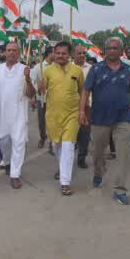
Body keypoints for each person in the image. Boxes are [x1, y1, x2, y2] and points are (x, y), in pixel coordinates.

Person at [80, 37, 130, 206]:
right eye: (109, 48)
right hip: (100, 118)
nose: (112, 50)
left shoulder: (128, 70)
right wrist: (81, 111)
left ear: (121, 51)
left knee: (123, 154)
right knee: (98, 152)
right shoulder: (96, 69)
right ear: (105, 50)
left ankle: (120, 189)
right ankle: (99, 172)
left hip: (123, 118)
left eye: (116, 48)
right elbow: (86, 91)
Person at [42, 42, 85, 195]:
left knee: (68, 146)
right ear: (53, 53)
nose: (60, 56)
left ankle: (65, 182)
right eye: (58, 53)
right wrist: (32, 79)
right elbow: (42, 91)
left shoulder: (77, 71)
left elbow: (83, 92)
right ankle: (62, 169)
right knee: (57, 146)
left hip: (72, 115)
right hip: (53, 116)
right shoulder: (46, 71)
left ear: (69, 55)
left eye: (64, 53)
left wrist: (82, 112)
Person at [0, 42, 34, 189]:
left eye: (14, 50)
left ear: (19, 53)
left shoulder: (25, 69)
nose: (11, 53)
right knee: (4, 142)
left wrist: (28, 79)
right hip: (2, 114)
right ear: (5, 53)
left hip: (19, 114)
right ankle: (8, 162)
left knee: (19, 143)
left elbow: (31, 94)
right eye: (8, 50)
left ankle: (15, 174)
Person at [31, 44, 55, 150]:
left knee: (52, 122)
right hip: (42, 99)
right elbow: (32, 82)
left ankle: (51, 142)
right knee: (42, 122)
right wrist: (38, 88)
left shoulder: (57, 66)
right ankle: (42, 137)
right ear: (50, 54)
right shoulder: (38, 67)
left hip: (54, 100)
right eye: (55, 52)